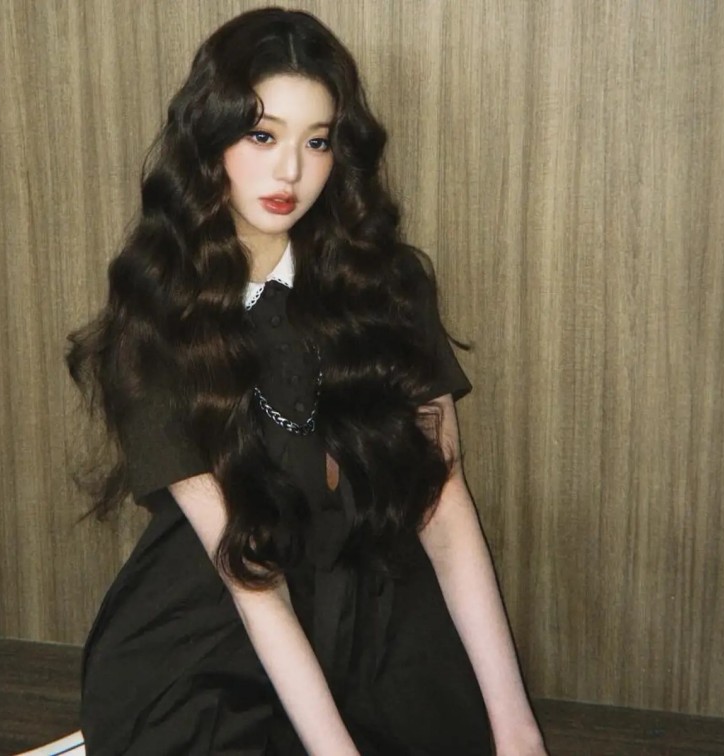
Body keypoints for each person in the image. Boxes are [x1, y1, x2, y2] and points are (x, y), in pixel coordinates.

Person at [66, 8, 546, 755]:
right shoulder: (158, 321)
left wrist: (518, 732)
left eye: (316, 141)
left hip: (376, 618)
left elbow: (444, 506)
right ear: (209, 139)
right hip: (215, 636)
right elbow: (252, 581)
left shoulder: (386, 285)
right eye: (262, 135)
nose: (289, 172)